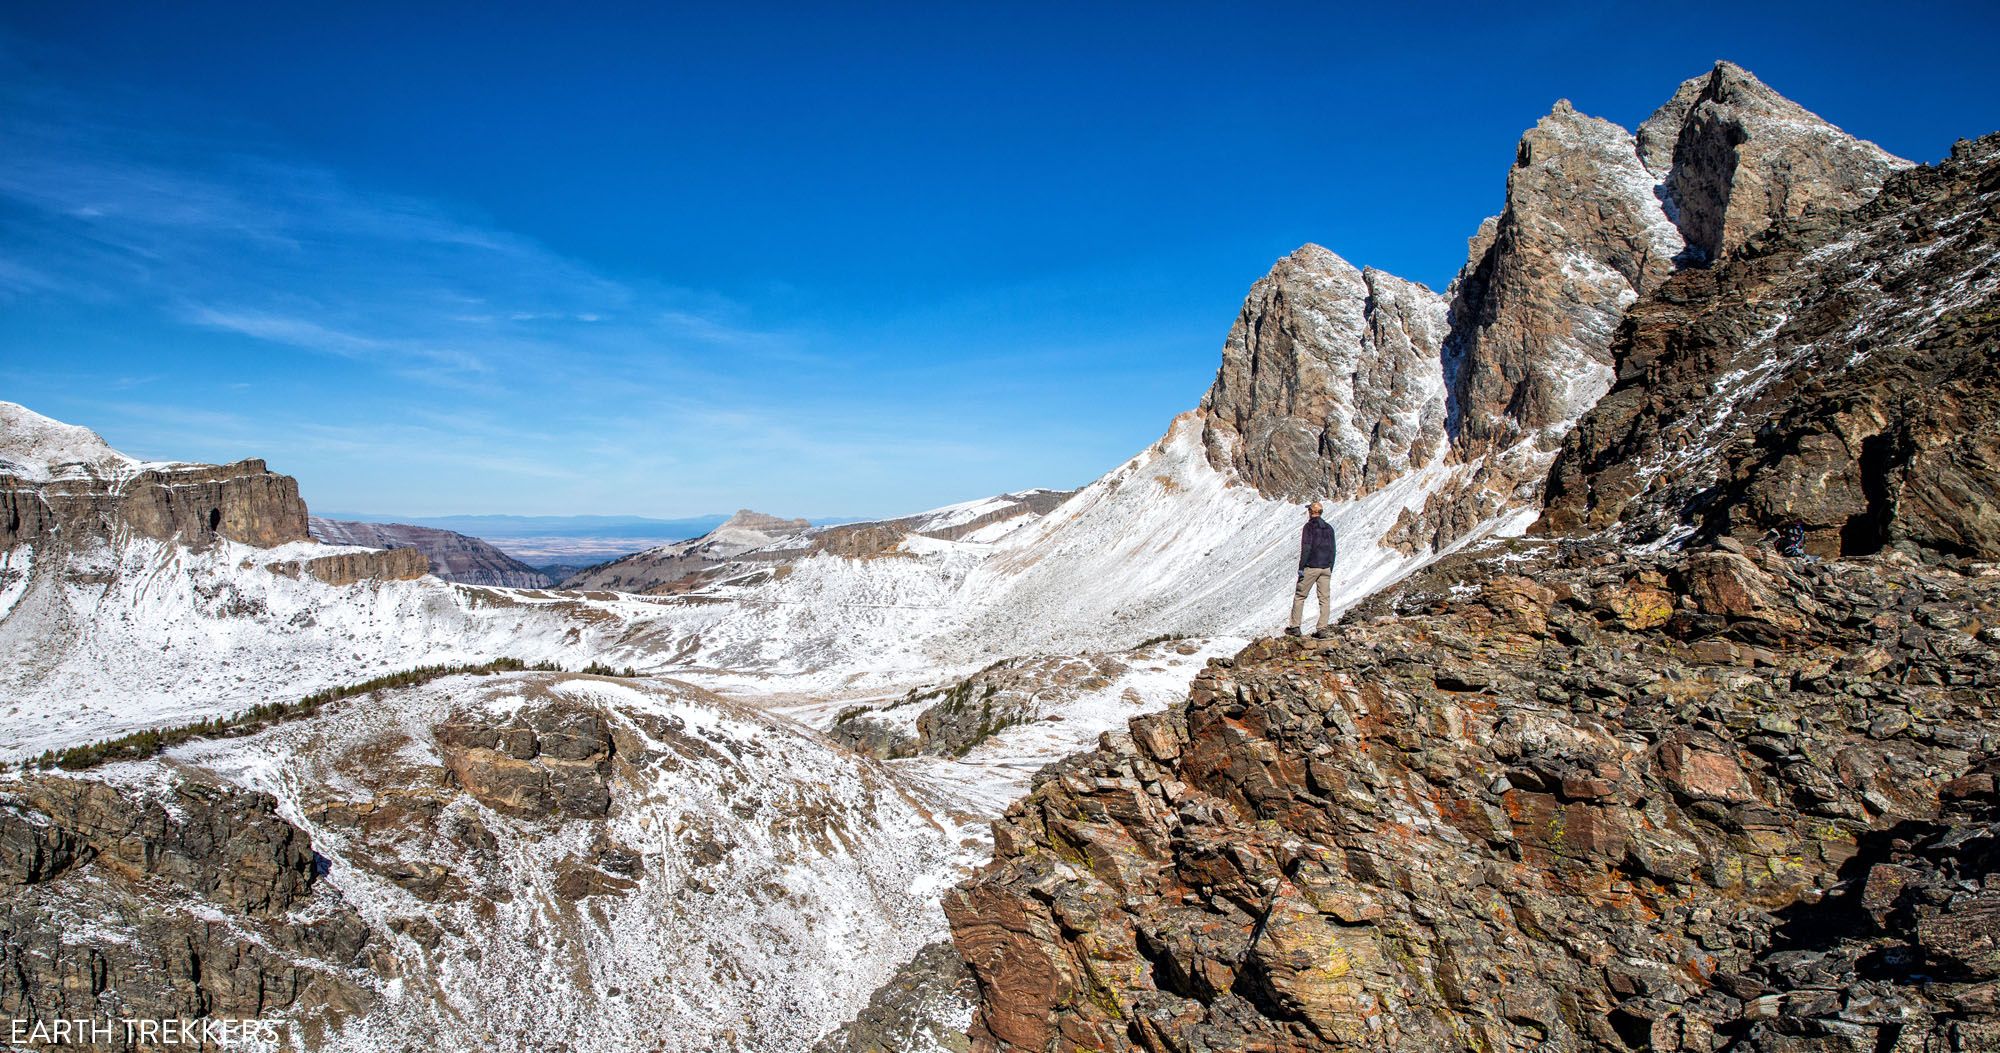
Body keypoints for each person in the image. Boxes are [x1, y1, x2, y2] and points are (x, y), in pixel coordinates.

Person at [1287, 501, 1337, 638]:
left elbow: (1306, 547)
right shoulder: (1329, 528)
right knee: (1324, 599)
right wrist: (1330, 566)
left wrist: (1301, 567)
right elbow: (1333, 549)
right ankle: (1322, 628)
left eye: (1309, 510)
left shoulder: (1309, 527)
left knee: (1300, 596)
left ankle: (1295, 627)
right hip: (1325, 568)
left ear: (1311, 512)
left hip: (1311, 567)